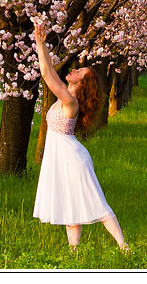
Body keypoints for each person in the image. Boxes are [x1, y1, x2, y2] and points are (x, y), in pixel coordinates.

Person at [32, 24, 128, 251]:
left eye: (79, 73)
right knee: (69, 209)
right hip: (63, 157)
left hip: (73, 158)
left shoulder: (70, 101)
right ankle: (74, 253)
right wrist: (42, 44)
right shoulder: (65, 95)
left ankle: (124, 247)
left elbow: (46, 75)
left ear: (81, 84)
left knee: (96, 202)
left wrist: (39, 44)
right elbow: (52, 73)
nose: (73, 71)